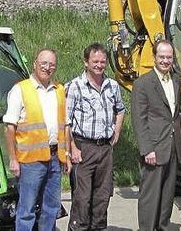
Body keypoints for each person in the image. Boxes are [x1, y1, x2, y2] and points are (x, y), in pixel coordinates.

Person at [4, 49, 72, 231]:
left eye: (51, 65)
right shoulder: (21, 90)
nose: (47, 68)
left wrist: (66, 155)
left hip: (55, 158)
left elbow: (65, 125)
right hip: (30, 161)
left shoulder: (59, 90)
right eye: (43, 63)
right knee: (26, 210)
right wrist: (13, 159)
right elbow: (10, 127)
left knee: (51, 208)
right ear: (35, 63)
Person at [66, 43, 125, 231]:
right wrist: (73, 148)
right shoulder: (75, 86)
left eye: (102, 61)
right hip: (83, 148)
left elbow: (121, 110)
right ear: (86, 62)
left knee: (102, 196)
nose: (99, 65)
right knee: (82, 199)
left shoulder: (112, 86)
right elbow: (65, 121)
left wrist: (116, 131)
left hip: (105, 148)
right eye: (95, 61)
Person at [131, 40, 181, 231]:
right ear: (154, 58)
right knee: (150, 196)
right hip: (153, 149)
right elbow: (139, 119)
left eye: (169, 57)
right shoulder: (143, 83)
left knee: (167, 195)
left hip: (172, 147)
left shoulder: (176, 81)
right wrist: (147, 149)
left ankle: (162, 226)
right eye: (161, 57)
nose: (165, 61)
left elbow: (174, 116)